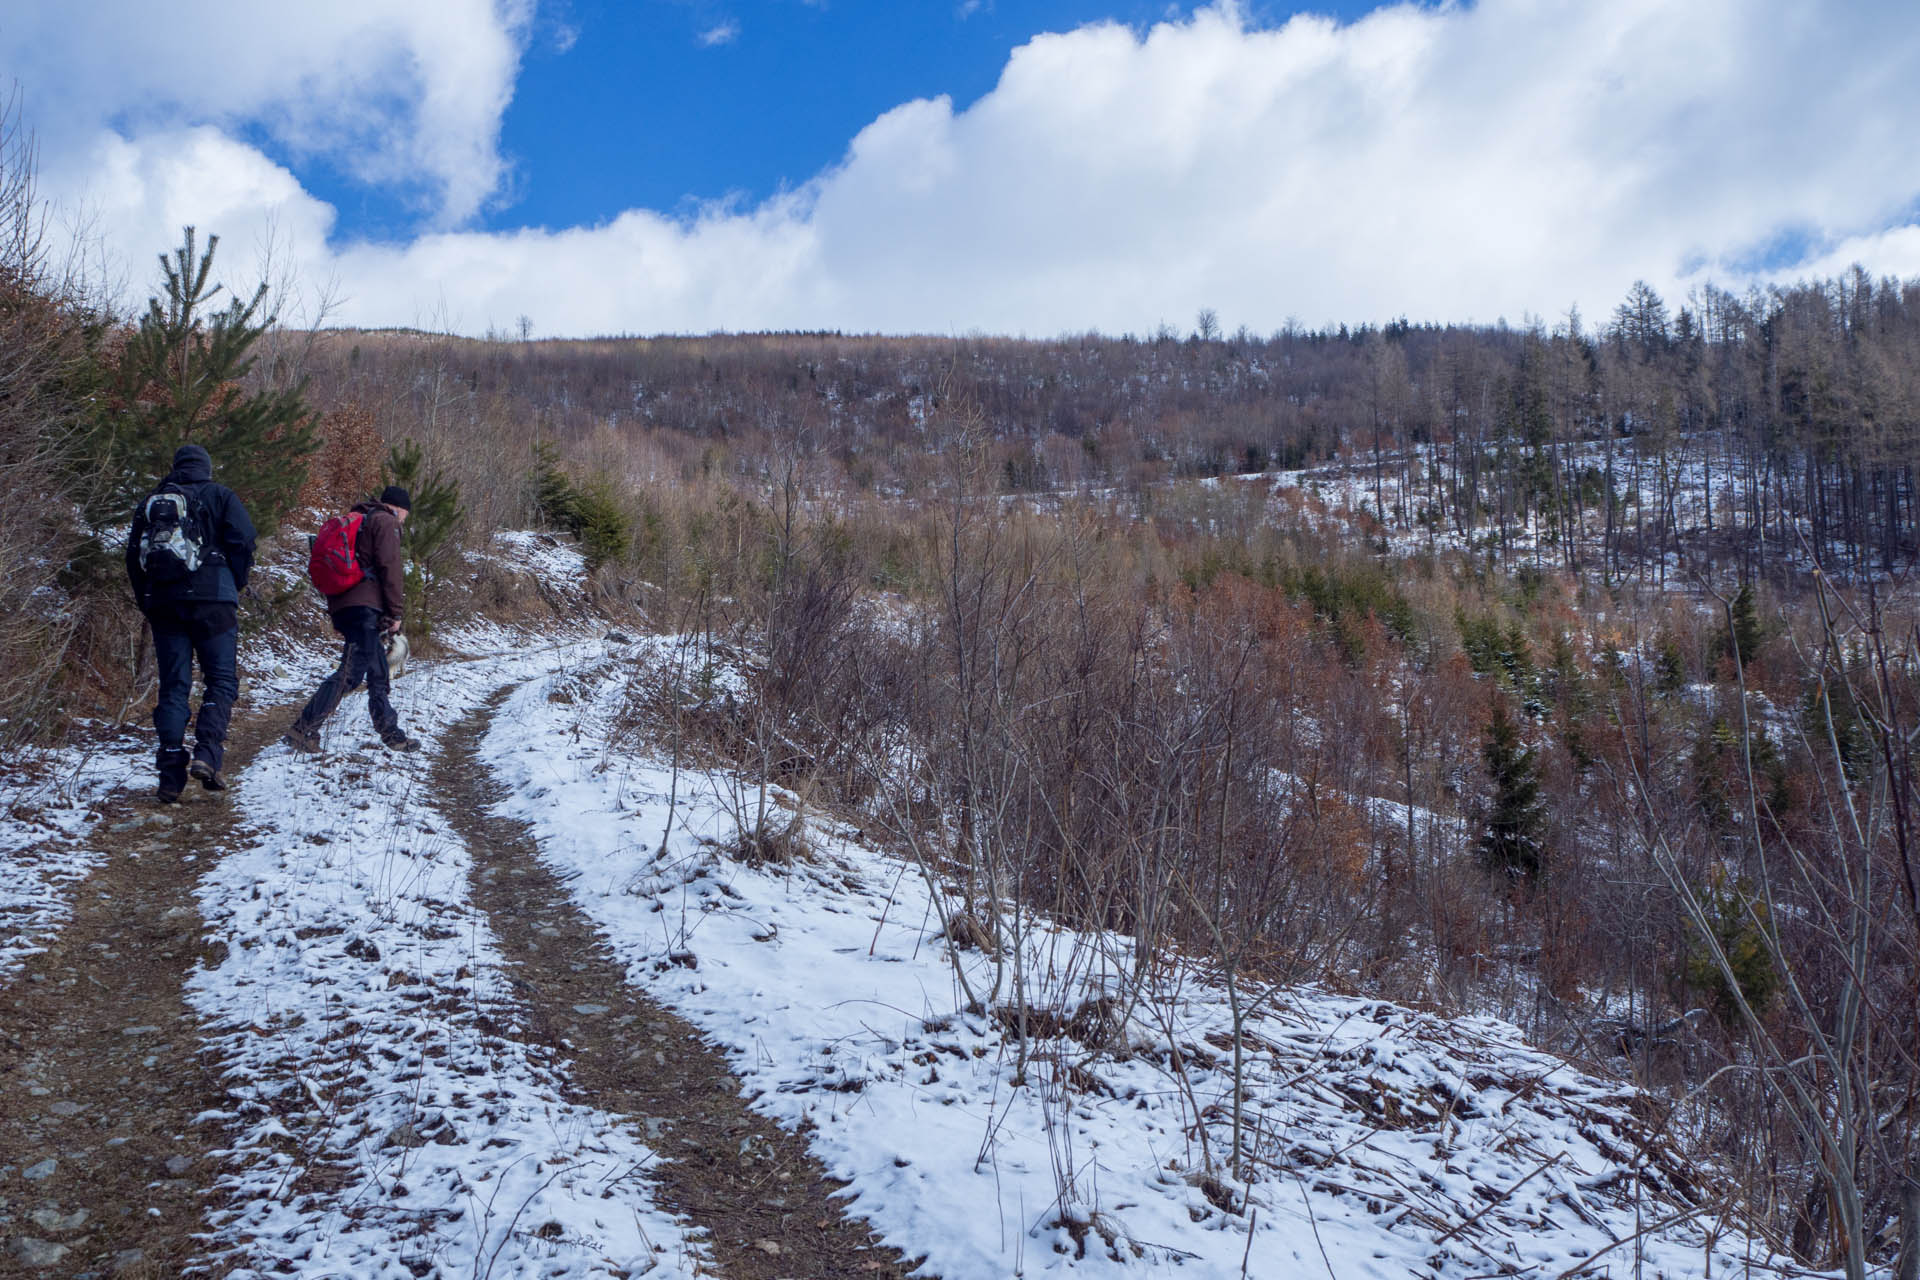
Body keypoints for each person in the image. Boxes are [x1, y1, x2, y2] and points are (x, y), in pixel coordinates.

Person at [125, 443, 257, 803]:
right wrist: (235, 581)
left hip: (165, 604)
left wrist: (147, 600)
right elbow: (244, 539)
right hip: (215, 599)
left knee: (173, 685)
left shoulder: (153, 503)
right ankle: (207, 753)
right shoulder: (221, 495)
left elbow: (132, 556)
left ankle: (169, 775)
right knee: (221, 678)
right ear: (207, 469)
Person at [284, 486, 422, 753]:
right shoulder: (386, 521)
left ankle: (391, 734)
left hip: (347, 605)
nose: (404, 520)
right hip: (365, 608)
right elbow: (390, 569)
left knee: (376, 671)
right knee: (350, 674)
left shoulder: (362, 518)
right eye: (406, 514)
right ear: (400, 508)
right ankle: (303, 729)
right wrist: (395, 613)